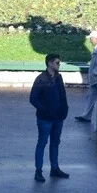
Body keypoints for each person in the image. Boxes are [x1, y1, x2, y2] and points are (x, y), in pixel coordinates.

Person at [29, 54, 71, 182]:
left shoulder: (59, 77)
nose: (59, 65)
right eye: (57, 63)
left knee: (55, 143)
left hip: (58, 117)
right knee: (42, 143)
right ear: (50, 63)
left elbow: (62, 95)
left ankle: (54, 168)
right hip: (45, 118)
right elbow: (33, 98)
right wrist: (44, 110)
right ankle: (38, 171)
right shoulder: (41, 79)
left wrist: (65, 109)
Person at [75, 31, 97, 123]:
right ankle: (86, 115)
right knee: (91, 96)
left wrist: (94, 73)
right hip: (96, 79)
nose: (90, 40)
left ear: (96, 38)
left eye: (91, 38)